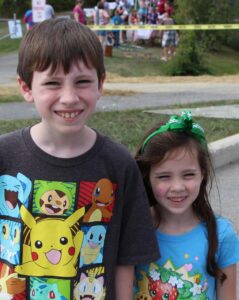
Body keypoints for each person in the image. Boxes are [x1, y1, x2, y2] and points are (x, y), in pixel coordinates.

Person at [0, 18, 159, 300]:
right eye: (52, 83)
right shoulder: (4, 155)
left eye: (83, 82)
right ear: (26, 88)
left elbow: (127, 260)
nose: (69, 97)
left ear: (101, 84)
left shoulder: (119, 164)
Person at [134, 110, 239, 300]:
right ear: (148, 178)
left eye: (188, 175)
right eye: (164, 176)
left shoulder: (222, 235)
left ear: (203, 173)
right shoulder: (134, 228)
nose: (177, 187)